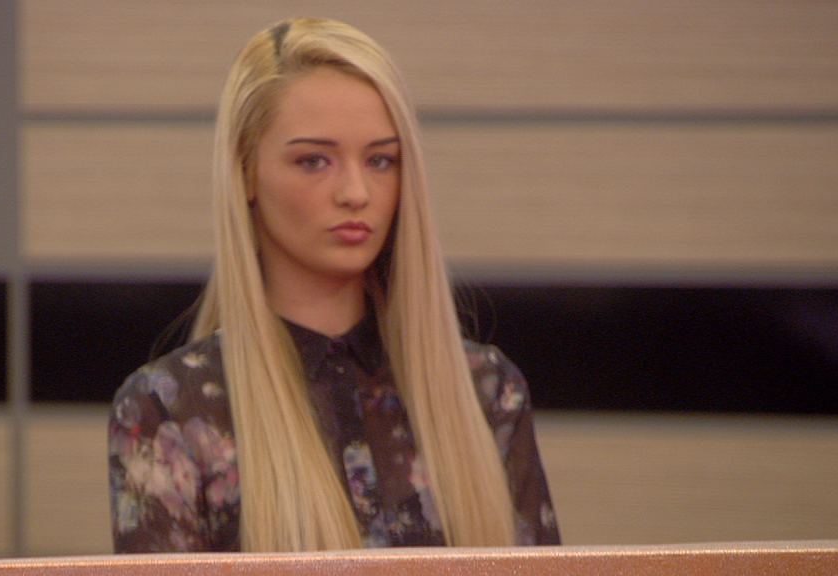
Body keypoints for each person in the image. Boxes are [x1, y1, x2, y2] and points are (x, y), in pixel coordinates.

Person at [109, 17, 559, 553]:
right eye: (314, 161)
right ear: (246, 171)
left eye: (380, 160)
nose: (356, 191)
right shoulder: (171, 411)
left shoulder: (486, 392)